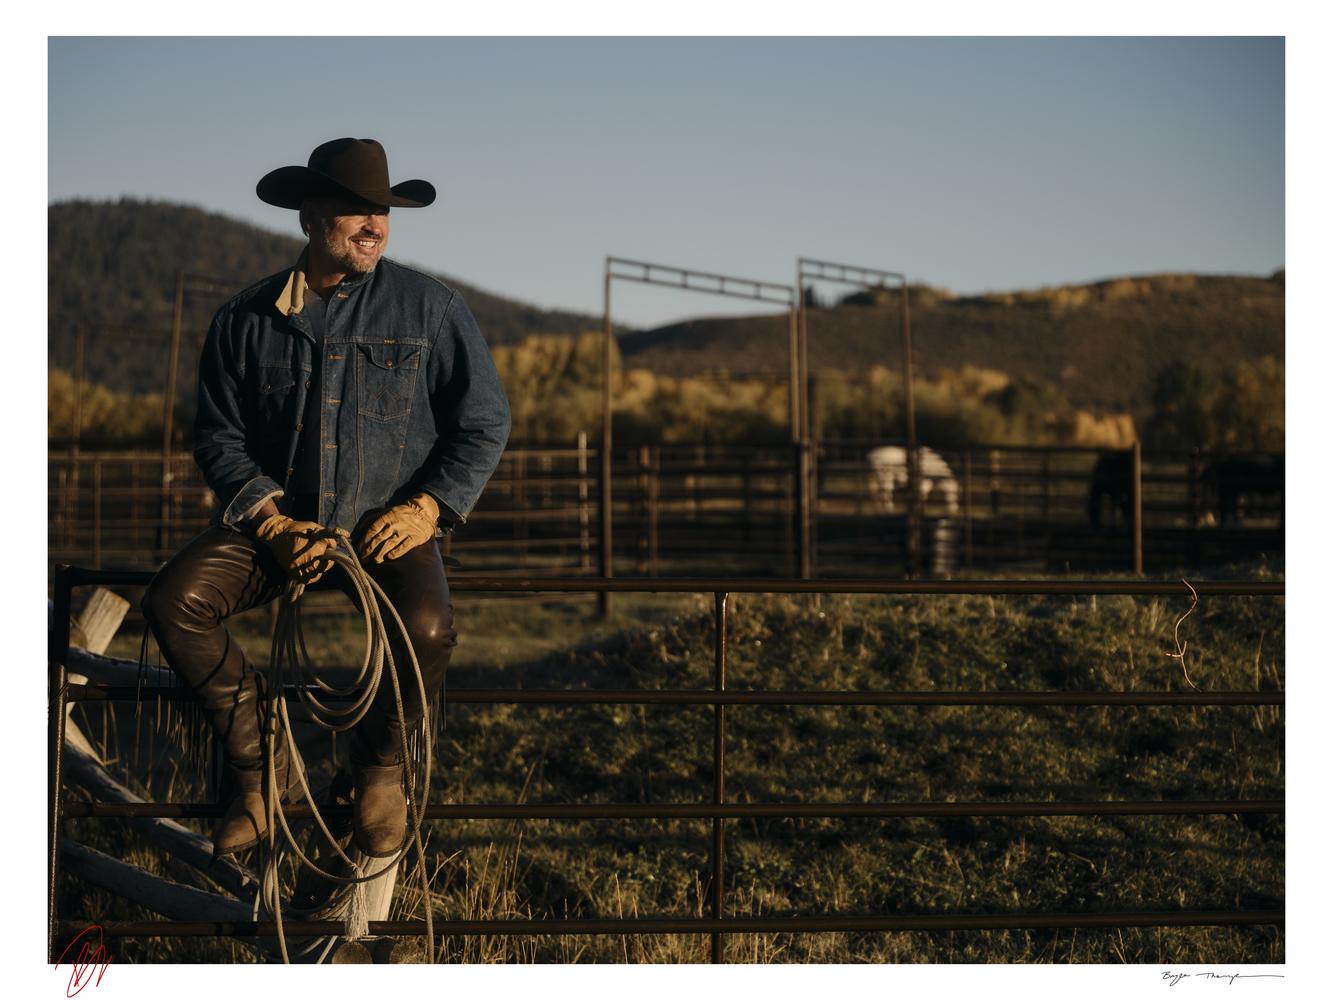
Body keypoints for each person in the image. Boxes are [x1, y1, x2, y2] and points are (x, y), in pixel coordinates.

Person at [141, 137, 511, 860]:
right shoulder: (245, 319)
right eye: (354, 210)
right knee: (174, 602)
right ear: (310, 217)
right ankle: (264, 771)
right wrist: (271, 522)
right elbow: (219, 437)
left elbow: (484, 422)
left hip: (386, 527)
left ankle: (377, 775)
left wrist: (426, 509)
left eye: (381, 211)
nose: (373, 224)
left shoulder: (430, 309)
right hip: (282, 527)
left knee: (428, 628)